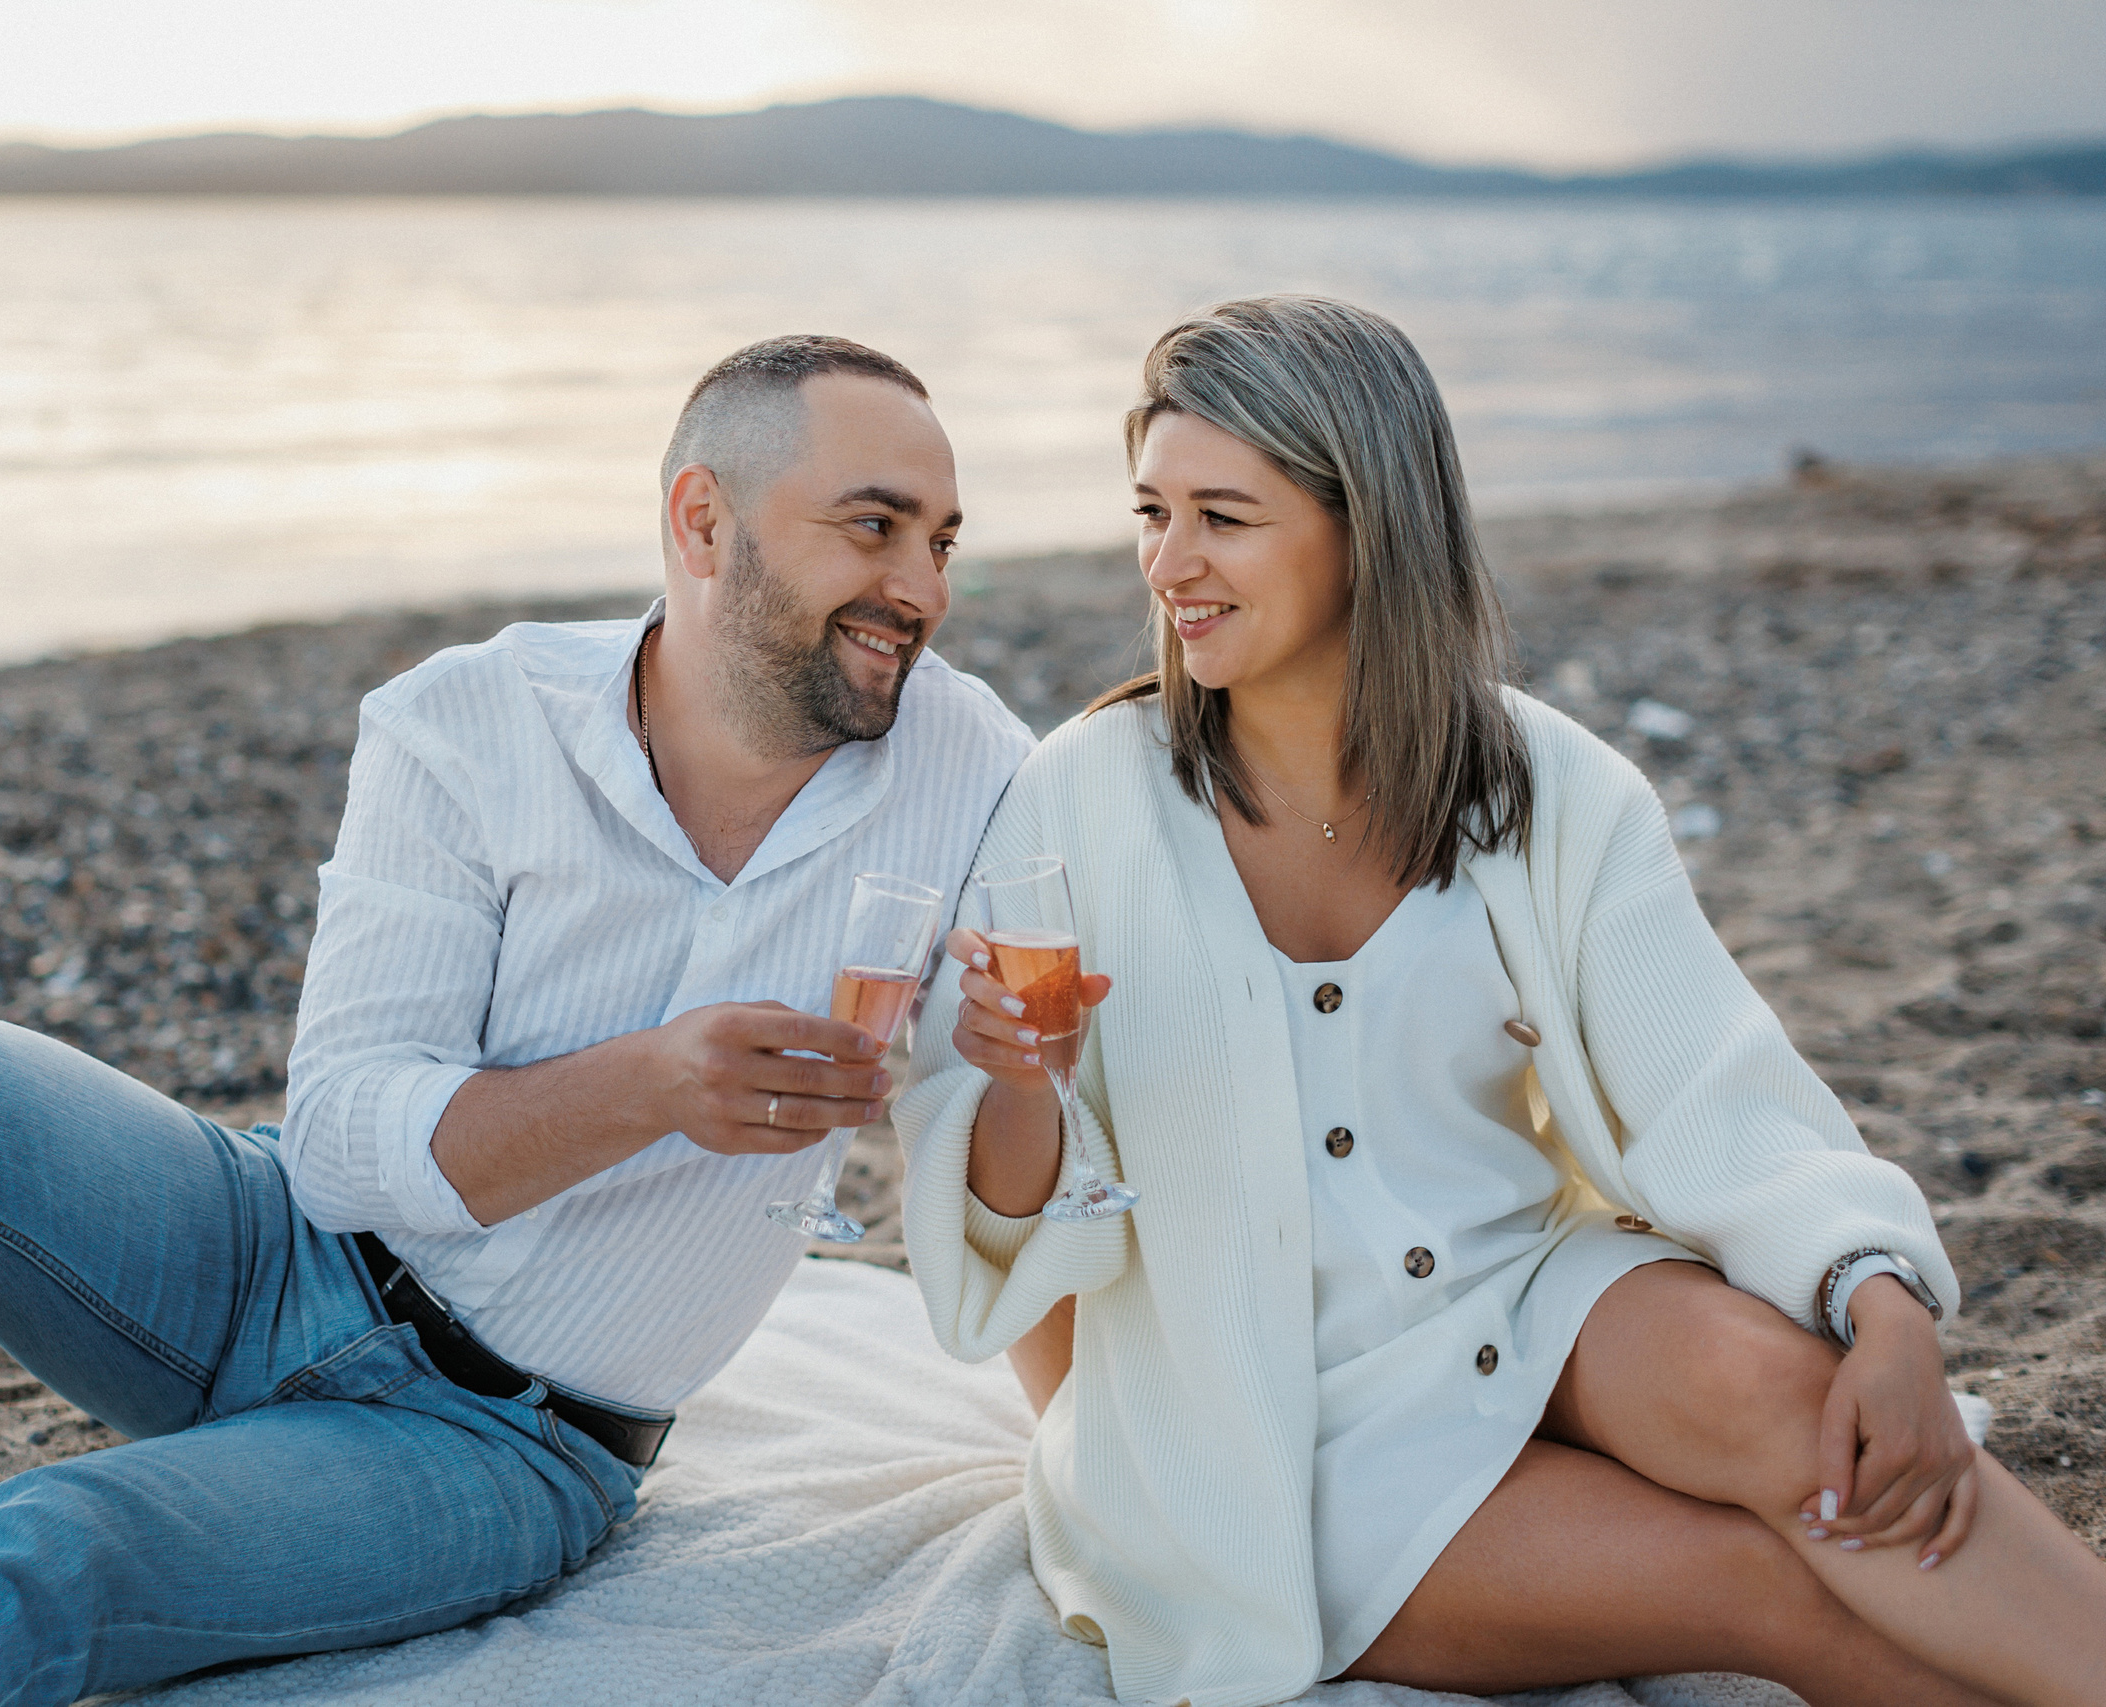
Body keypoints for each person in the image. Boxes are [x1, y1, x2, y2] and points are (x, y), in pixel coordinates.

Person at [0, 334, 1033, 1706]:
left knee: (50, 1544)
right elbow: (334, 1141)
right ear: (705, 521)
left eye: (943, 542)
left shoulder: (969, 764)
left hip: (501, 1446)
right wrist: (650, 1086)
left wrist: (1030, 1070)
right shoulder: (468, 720)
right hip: (270, 1249)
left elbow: (1005, 1151)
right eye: (874, 524)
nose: (922, 585)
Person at [898, 296, 2106, 1707]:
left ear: (1372, 526)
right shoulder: (1081, 799)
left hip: (1527, 1300)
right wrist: (1022, 1084)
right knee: (1768, 1585)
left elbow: (1712, 1086)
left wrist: (1887, 1306)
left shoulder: (1550, 788)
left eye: (1225, 515)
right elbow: (996, 1227)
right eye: (1152, 511)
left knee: (1808, 1415)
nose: (1172, 563)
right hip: (1254, 1425)